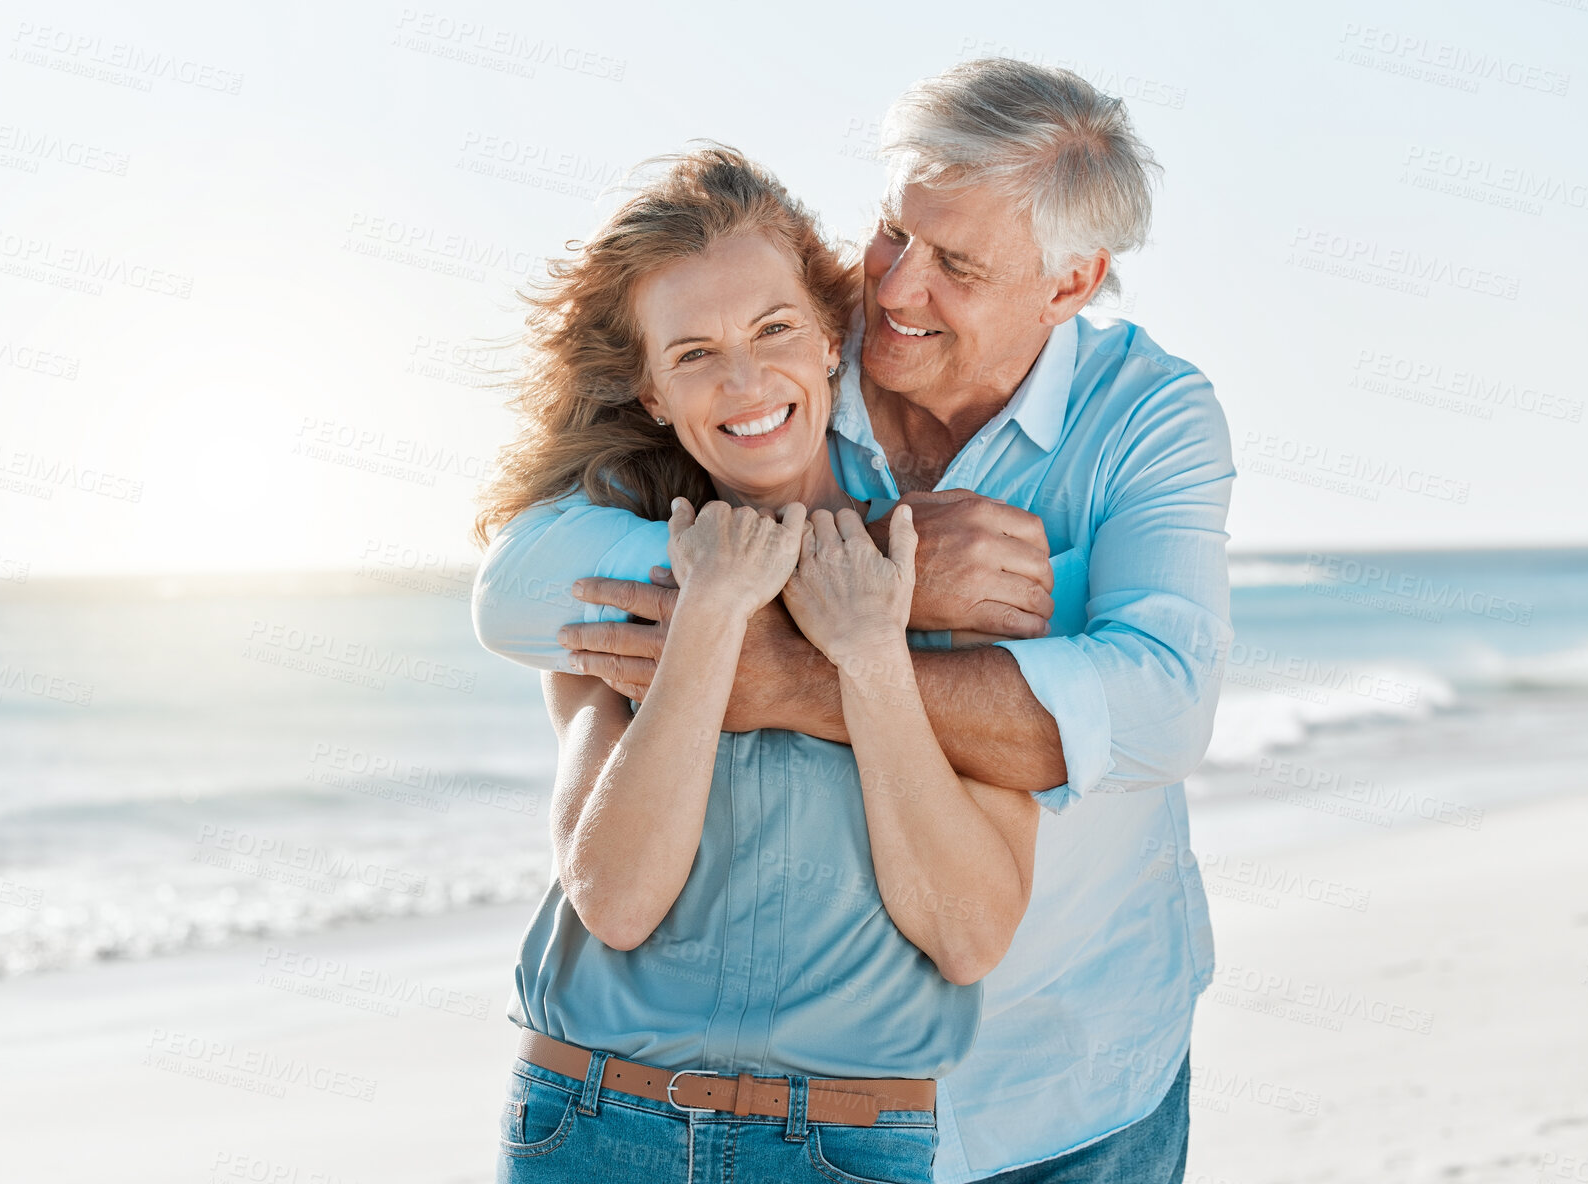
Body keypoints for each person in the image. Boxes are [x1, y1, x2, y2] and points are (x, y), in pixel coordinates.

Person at [477, 59, 1236, 1184]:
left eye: (957, 267)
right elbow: (522, 590)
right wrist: (886, 577)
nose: (892, 289)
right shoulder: (779, 356)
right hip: (741, 1103)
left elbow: (1157, 709)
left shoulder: (1147, 417)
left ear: (1069, 282)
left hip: (1070, 1070)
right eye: (893, 232)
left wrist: (785, 673)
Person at [474, 146, 1042, 1183]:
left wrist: (869, 647)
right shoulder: (613, 577)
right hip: (594, 1121)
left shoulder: (951, 579)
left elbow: (967, 936)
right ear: (649, 390)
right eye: (691, 352)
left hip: (845, 1143)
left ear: (830, 339)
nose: (743, 380)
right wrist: (711, 612)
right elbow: (616, 899)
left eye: (772, 329)